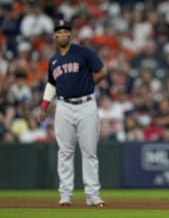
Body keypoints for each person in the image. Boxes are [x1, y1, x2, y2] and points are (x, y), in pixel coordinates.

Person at [36, 19, 107, 207]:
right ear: (54, 36)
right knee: (65, 152)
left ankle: (92, 195)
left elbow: (101, 71)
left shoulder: (84, 52)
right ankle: (65, 195)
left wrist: (87, 84)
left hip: (86, 104)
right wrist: (43, 107)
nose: (62, 34)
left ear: (70, 34)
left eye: (66, 31)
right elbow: (52, 84)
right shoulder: (54, 60)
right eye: (59, 31)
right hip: (64, 106)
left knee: (89, 151)